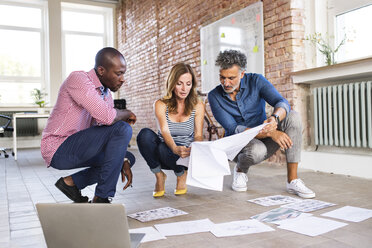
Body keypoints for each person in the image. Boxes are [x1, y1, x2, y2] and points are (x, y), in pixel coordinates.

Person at [208, 50, 315, 199]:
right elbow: (233, 129)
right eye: (222, 77)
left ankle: (292, 180)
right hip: (240, 144)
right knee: (255, 150)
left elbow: (282, 102)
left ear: (242, 74)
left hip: (264, 136)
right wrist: (271, 132)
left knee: (293, 117)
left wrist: (274, 119)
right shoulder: (214, 96)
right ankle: (240, 169)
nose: (226, 83)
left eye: (231, 78)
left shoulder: (256, 81)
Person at [41, 47, 137, 203]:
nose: (122, 79)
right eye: (118, 73)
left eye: (123, 74)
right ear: (101, 70)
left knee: (126, 158)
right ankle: (102, 197)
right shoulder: (78, 79)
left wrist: (122, 159)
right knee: (123, 128)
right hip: (59, 148)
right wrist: (126, 113)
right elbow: (108, 117)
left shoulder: (106, 94)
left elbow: (105, 126)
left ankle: (71, 183)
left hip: (82, 147)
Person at [137, 63, 205, 197]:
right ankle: (159, 176)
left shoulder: (198, 105)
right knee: (145, 135)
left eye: (188, 83)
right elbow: (164, 131)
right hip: (163, 153)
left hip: (184, 156)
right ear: (172, 83)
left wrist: (194, 148)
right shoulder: (161, 104)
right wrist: (174, 148)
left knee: (165, 147)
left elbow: (198, 135)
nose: (184, 89)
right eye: (179, 83)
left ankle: (181, 175)